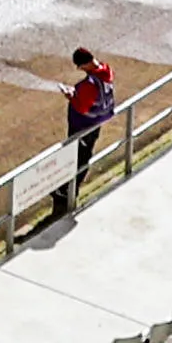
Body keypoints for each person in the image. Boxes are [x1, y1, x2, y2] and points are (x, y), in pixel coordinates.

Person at [56, 46, 116, 218]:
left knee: (78, 156)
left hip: (83, 125)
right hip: (96, 122)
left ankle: (67, 191)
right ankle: (68, 188)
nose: (79, 70)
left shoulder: (90, 85)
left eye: (80, 66)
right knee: (83, 155)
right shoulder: (106, 70)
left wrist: (71, 95)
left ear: (85, 64)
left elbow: (82, 107)